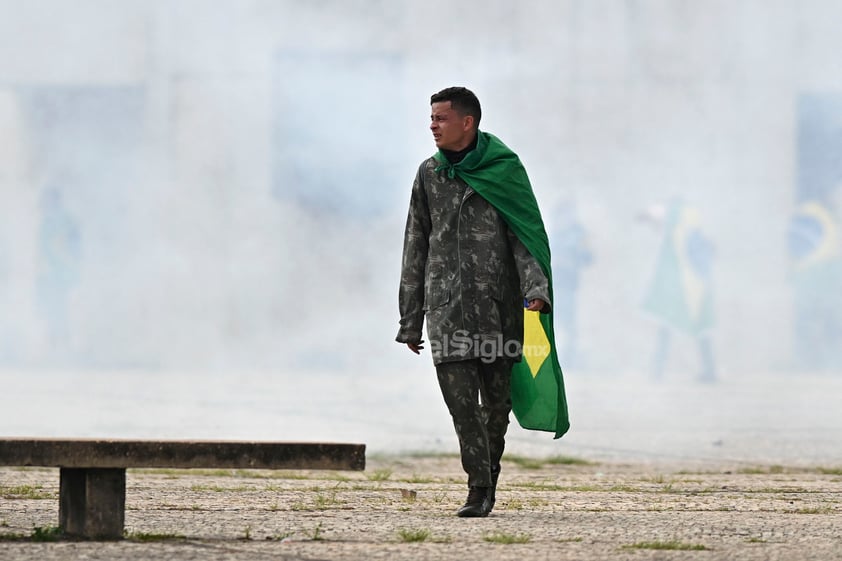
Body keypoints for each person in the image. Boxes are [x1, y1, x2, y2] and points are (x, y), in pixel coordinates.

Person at [396, 87, 553, 517]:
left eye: (441, 118)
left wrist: (535, 290)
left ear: (467, 122)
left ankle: (488, 481)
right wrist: (410, 318)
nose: (432, 125)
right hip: (446, 310)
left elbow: (526, 235)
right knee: (462, 405)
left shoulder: (504, 170)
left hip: (498, 312)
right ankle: (478, 488)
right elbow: (416, 244)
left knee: (496, 407)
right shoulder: (429, 174)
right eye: (431, 118)